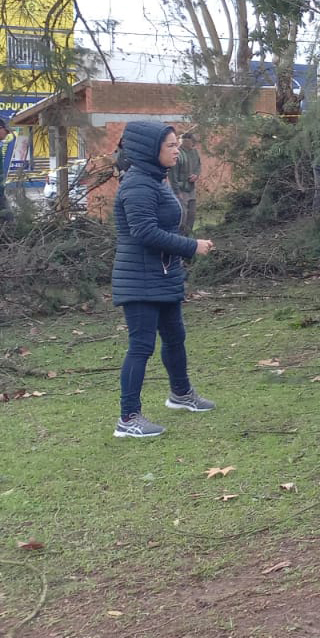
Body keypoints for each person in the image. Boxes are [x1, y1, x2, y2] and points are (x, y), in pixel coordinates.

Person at [111, 121, 218, 439]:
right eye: (170, 145)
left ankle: (181, 394)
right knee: (141, 346)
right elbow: (145, 232)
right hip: (139, 279)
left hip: (163, 274)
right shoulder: (138, 185)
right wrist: (191, 247)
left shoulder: (156, 179)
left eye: (176, 144)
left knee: (175, 337)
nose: (177, 150)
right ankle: (128, 418)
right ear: (150, 150)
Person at [168, 131, 202, 234]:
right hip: (180, 190)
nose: (194, 144)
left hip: (191, 189)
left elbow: (198, 166)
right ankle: (179, 237)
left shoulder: (195, 152)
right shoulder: (177, 154)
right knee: (183, 215)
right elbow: (172, 175)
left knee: (192, 214)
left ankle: (189, 236)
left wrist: (196, 175)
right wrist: (177, 192)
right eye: (192, 141)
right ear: (185, 141)